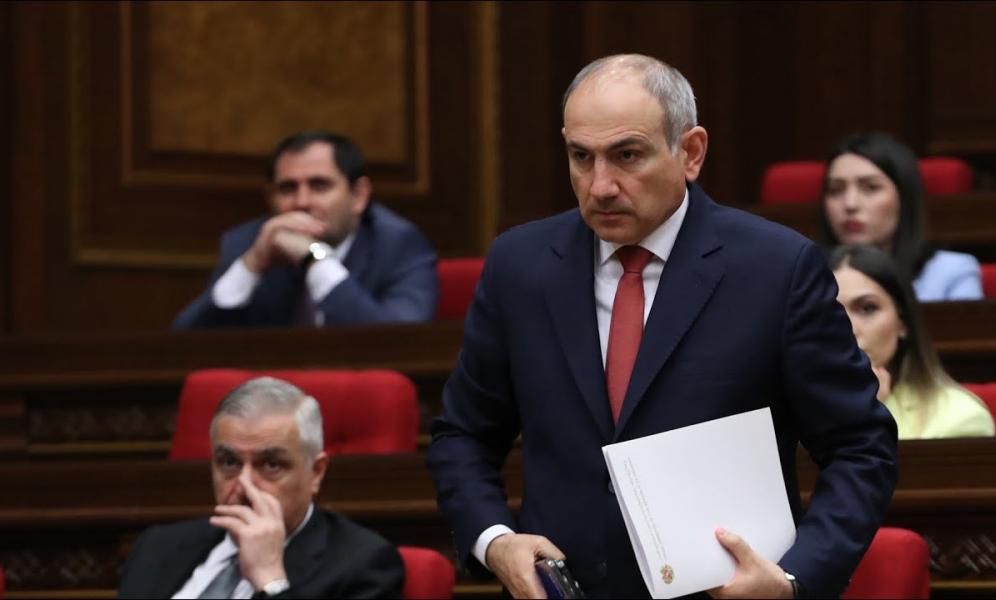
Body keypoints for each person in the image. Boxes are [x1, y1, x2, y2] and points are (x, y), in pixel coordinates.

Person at [427, 54, 897, 599]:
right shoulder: (520, 266)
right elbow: (463, 435)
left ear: (690, 152)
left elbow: (860, 447)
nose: (600, 185)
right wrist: (495, 540)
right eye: (581, 157)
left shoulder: (775, 269)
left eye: (627, 155)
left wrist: (793, 579)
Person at [118, 377, 404, 599]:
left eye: (271, 465)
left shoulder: (363, 566)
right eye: (229, 462)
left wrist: (270, 581)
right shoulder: (156, 547)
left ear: (316, 472)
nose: (244, 484)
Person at [173, 131, 438, 329]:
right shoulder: (248, 242)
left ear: (358, 195)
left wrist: (315, 258)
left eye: (319, 186)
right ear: (270, 198)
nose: (301, 202)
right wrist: (251, 265)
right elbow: (185, 342)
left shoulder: (398, 244)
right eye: (287, 188)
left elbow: (397, 341)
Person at [830, 244, 995, 439]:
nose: (849, 329)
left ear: (902, 322)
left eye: (868, 308)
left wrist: (868, 414)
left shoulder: (961, 417)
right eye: (830, 312)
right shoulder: (797, 411)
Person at [819, 131, 983, 302]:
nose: (850, 204)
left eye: (871, 188)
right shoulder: (805, 275)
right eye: (835, 190)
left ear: (904, 198)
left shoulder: (950, 272)